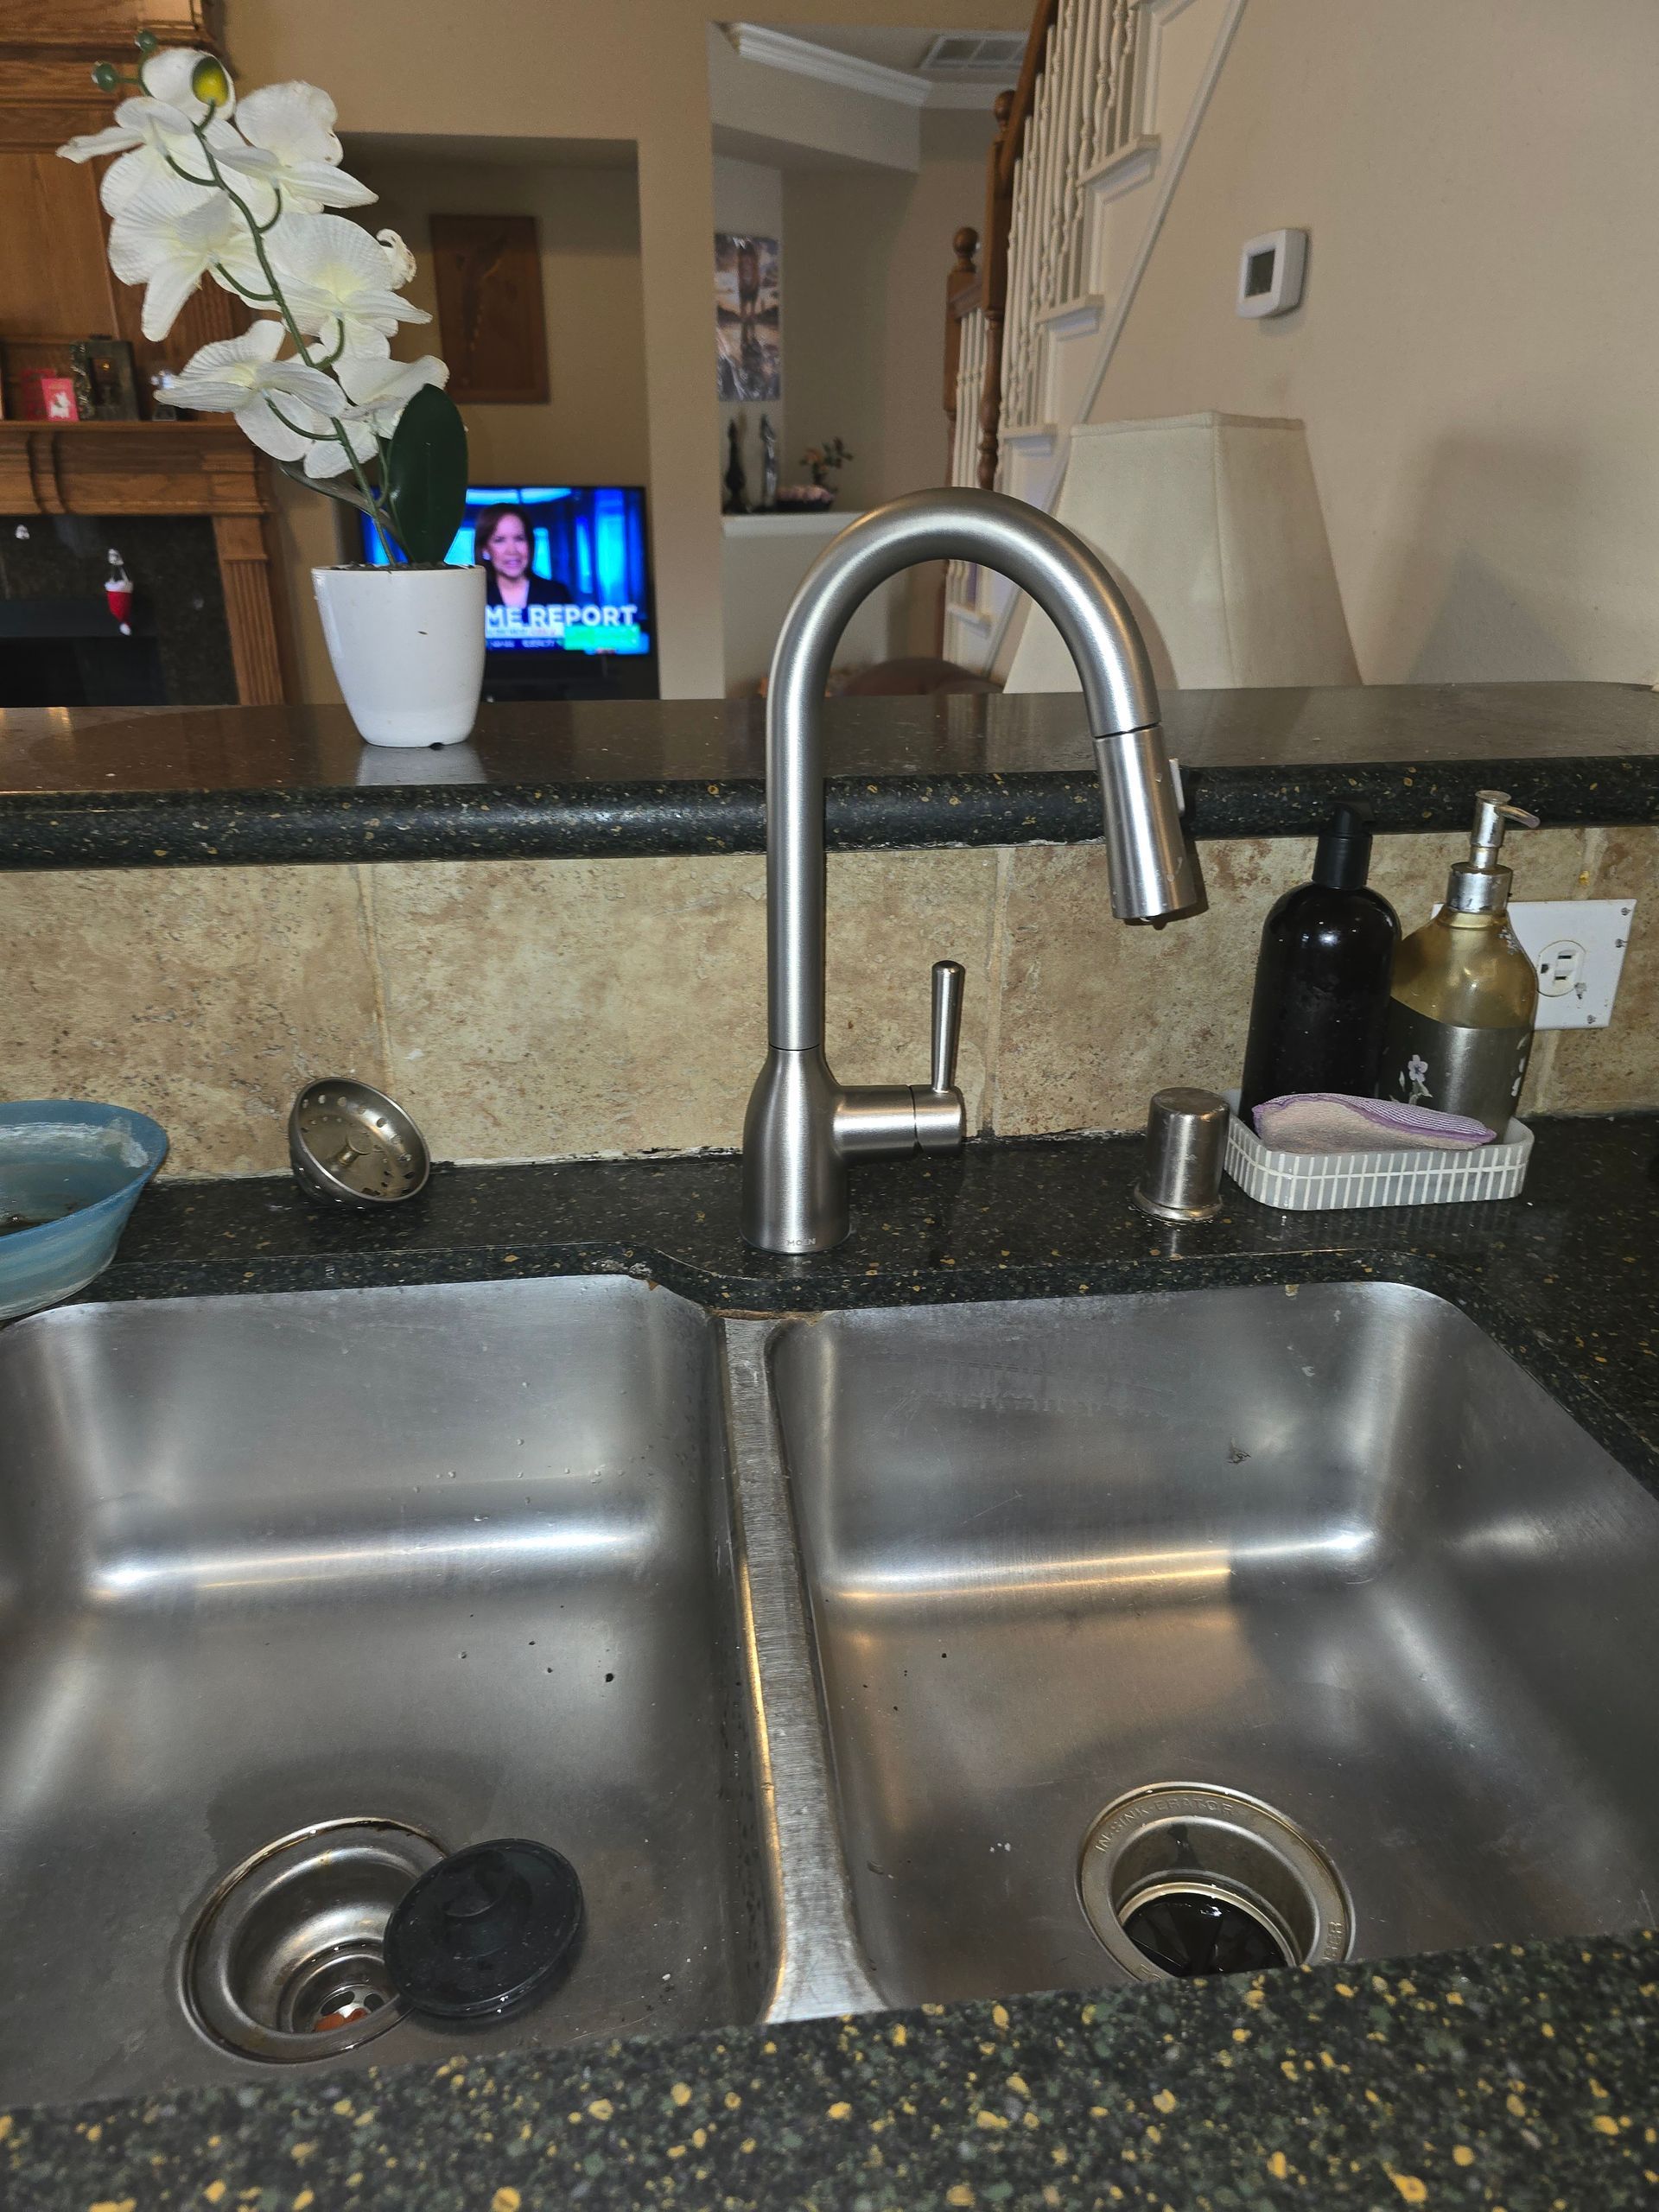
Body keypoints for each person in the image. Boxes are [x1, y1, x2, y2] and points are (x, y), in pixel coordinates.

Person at [474, 505, 572, 609]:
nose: (512, 550)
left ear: (530, 543)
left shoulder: (557, 594)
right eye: (500, 540)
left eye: (519, 539)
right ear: (485, 549)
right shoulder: (473, 597)